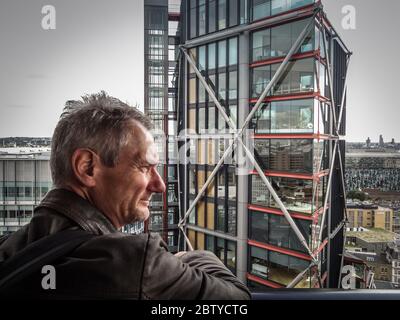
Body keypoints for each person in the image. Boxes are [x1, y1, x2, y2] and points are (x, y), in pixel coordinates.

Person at [0, 92, 250, 300]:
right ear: (87, 167)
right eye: (144, 167)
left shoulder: (10, 248)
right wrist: (191, 257)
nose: (160, 185)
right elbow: (238, 300)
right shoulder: (137, 264)